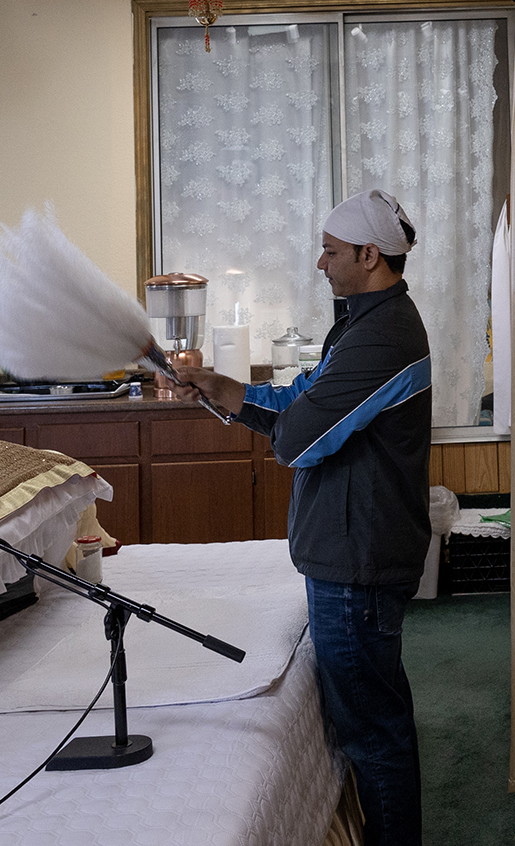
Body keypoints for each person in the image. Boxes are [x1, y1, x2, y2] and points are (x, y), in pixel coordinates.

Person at [175, 188, 432, 846]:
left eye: (330, 250)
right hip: (349, 554)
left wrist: (270, 412)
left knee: (374, 736)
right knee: (374, 725)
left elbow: (297, 438)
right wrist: (224, 391)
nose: (320, 262)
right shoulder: (362, 321)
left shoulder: (385, 335)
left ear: (369, 255)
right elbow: (300, 401)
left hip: (359, 563)